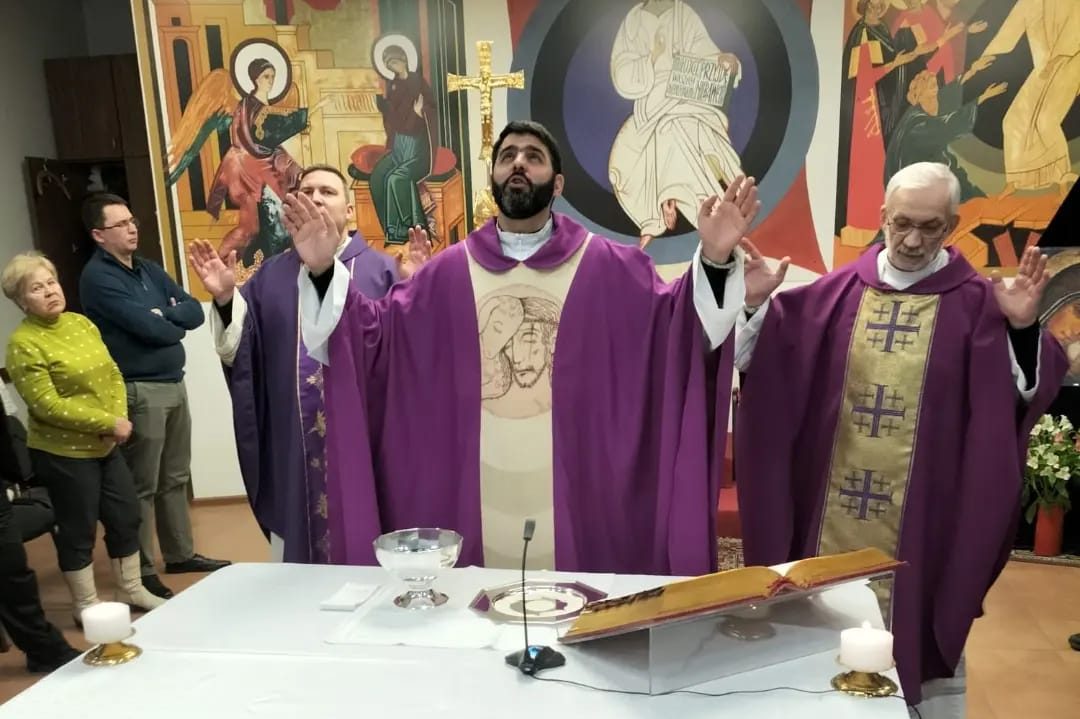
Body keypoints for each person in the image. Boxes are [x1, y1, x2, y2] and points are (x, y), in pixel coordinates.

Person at [294, 119, 752, 574]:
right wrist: (321, 270)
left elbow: (679, 327)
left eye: (533, 157)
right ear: (493, 176)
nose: (518, 163)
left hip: (581, 496)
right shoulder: (445, 275)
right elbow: (371, 338)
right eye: (508, 155)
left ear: (557, 184)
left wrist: (712, 259)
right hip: (469, 491)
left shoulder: (610, 268)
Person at [733, 162, 1067, 716]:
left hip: (924, 520)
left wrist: (1023, 330)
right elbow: (762, 367)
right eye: (902, 223)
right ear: (882, 217)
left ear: (954, 224)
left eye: (931, 227)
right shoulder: (833, 296)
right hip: (829, 514)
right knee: (818, 646)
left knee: (917, 636)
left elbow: (1022, 393)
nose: (913, 239)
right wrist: (752, 307)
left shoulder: (980, 305)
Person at [189, 164, 418, 563]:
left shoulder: (385, 271)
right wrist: (227, 301)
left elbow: (409, 363)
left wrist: (417, 289)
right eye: (306, 191)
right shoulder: (271, 275)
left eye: (327, 192)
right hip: (294, 443)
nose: (314, 198)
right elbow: (245, 356)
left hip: (366, 437)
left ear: (350, 211)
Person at [79, 194, 230, 600]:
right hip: (138, 388)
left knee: (176, 476)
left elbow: (193, 314)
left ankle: (180, 553)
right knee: (142, 484)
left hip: (172, 382)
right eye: (120, 224)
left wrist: (165, 314)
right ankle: (140, 569)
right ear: (98, 235)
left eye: (133, 220)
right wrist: (165, 317)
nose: (132, 228)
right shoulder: (98, 278)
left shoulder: (146, 268)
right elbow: (152, 330)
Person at [2, 253, 164, 619]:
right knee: (78, 530)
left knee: (126, 515)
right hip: (63, 454)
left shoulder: (80, 324)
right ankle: (86, 604)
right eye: (37, 288)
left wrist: (119, 417)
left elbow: (112, 373)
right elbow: (47, 406)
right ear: (21, 300)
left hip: (106, 445)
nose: (49, 292)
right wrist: (107, 423)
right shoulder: (23, 344)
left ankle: (131, 588)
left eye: (52, 283)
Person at [609, 0, 744, 248]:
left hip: (689, 94)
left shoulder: (684, 13)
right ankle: (671, 202)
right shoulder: (634, 21)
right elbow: (622, 71)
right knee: (666, 129)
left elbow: (706, 52)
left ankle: (681, 201)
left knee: (687, 128)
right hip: (653, 101)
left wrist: (724, 61)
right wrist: (652, 58)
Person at [370, 42, 439, 244]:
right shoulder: (393, 85)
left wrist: (421, 113)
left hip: (417, 148)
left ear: (404, 60)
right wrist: (380, 100)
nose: (394, 66)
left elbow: (431, 108)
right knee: (377, 177)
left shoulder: (418, 82)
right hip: (399, 145)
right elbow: (392, 114)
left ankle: (410, 230)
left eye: (396, 61)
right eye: (389, 63)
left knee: (396, 178)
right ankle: (389, 230)